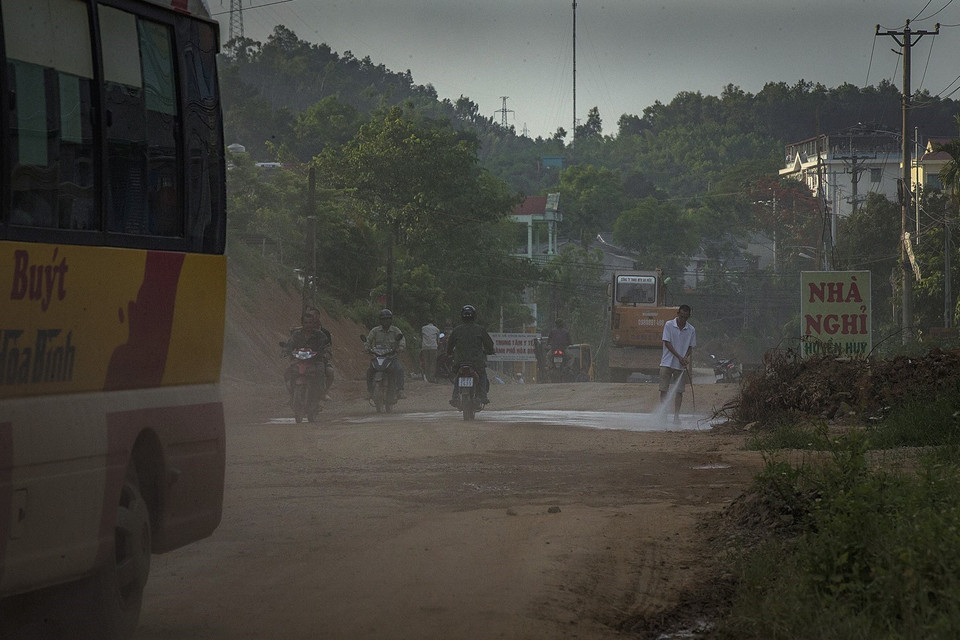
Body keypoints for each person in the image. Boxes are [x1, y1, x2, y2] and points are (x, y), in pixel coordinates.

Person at [446, 304, 495, 406]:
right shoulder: (480, 329)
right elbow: (489, 344)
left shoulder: (457, 330)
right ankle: (482, 396)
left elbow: (449, 345)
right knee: (482, 376)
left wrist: (449, 353)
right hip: (476, 362)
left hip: (459, 362)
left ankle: (455, 397)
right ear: (474, 316)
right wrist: (490, 351)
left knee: (457, 377)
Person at [284, 306, 334, 401]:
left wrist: (326, 353)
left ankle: (321, 393)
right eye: (305, 323)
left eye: (310, 322)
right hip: (300, 360)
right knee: (288, 372)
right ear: (302, 323)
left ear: (314, 322)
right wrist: (286, 350)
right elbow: (290, 344)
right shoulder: (296, 334)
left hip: (315, 360)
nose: (308, 325)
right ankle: (292, 394)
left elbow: (327, 346)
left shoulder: (320, 335)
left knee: (320, 371)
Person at [659, 304, 696, 424]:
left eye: (686, 317)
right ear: (678, 314)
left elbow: (690, 347)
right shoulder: (669, 325)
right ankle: (664, 414)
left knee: (679, 392)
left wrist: (685, 357)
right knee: (664, 389)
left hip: (680, 366)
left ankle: (676, 416)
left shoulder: (691, 330)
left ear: (689, 317)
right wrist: (679, 356)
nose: (683, 320)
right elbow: (667, 342)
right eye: (681, 316)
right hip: (667, 362)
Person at [365, 308, 406, 400]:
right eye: (383, 319)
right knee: (369, 371)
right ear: (380, 320)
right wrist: (367, 347)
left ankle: (400, 390)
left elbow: (402, 339)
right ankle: (369, 391)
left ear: (391, 320)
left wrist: (401, 347)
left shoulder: (396, 330)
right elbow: (368, 340)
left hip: (391, 357)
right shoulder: (375, 331)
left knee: (399, 369)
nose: (385, 321)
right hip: (377, 357)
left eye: (388, 319)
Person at [420, 318, 440, 383]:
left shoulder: (423, 328)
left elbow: (422, 337)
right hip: (433, 347)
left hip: (425, 347)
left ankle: (427, 377)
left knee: (426, 362)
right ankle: (431, 378)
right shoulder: (436, 329)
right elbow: (438, 340)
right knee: (433, 363)